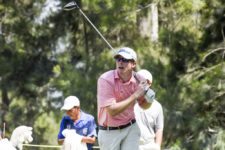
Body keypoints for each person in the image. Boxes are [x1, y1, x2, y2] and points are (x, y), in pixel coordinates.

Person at [97, 47, 149, 150]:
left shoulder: (140, 80)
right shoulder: (105, 80)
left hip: (130, 127)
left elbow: (144, 105)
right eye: (118, 59)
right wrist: (135, 95)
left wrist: (148, 96)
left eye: (125, 60)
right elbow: (112, 111)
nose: (120, 62)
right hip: (109, 132)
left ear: (133, 64)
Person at [134, 69, 164, 150]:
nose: (139, 83)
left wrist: (157, 146)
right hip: (132, 145)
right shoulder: (129, 101)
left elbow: (159, 128)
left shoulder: (157, 106)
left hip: (150, 146)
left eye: (142, 81)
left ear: (149, 83)